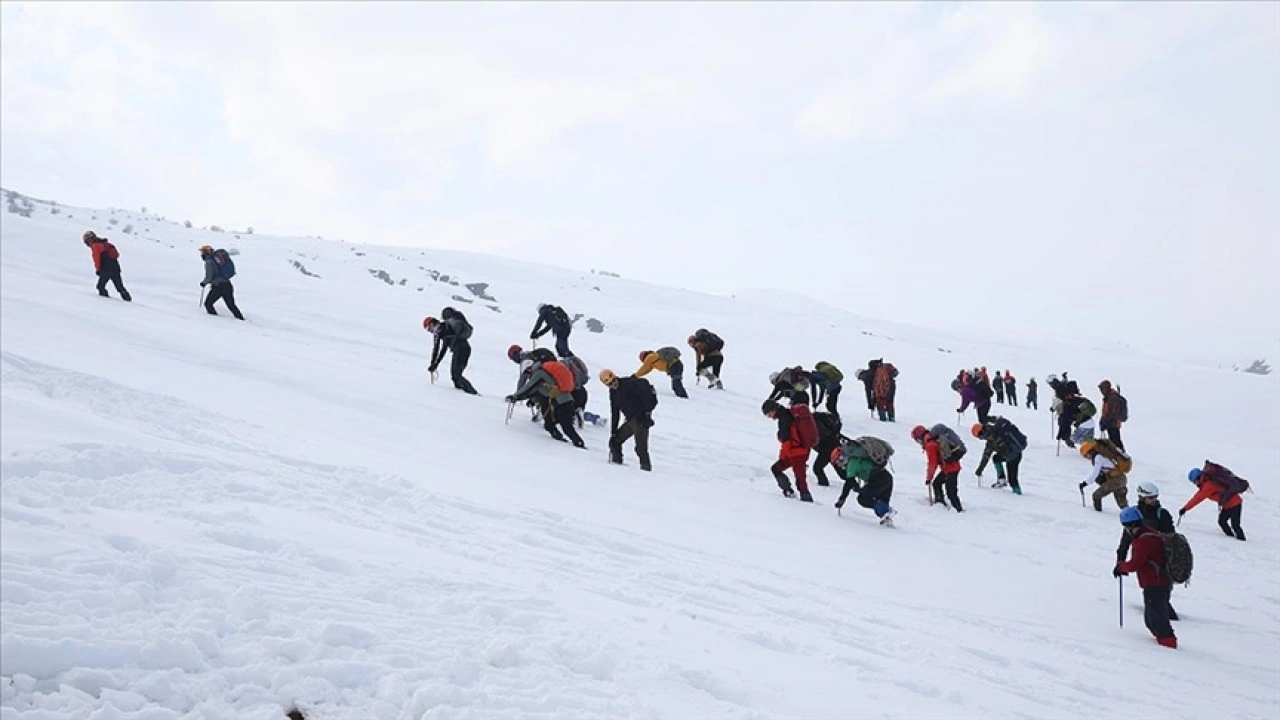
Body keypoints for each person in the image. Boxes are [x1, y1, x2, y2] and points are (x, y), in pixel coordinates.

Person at [1114, 506, 1177, 649]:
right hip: (1157, 582)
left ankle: (1169, 647)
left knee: (1158, 619)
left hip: (1156, 583)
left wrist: (1121, 567)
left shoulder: (1144, 540)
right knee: (1151, 618)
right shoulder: (1149, 533)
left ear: (1130, 525)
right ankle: (1163, 645)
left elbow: (1135, 563)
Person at [1117, 482, 1179, 621]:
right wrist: (1120, 560)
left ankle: (1167, 620)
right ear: (1142, 497)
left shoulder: (1162, 514)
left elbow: (1171, 538)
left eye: (1155, 497)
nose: (1154, 500)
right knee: (1153, 590)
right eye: (1151, 497)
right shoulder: (1133, 515)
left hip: (1162, 560)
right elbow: (1125, 540)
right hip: (1144, 559)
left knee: (1160, 592)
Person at [507, 358, 584, 447]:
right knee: (549, 425)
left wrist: (515, 396)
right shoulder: (543, 377)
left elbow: (529, 386)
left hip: (563, 402)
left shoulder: (539, 373)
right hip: (560, 403)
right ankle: (560, 439)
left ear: (529, 368)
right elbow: (534, 391)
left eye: (527, 373)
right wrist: (525, 399)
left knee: (567, 427)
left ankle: (579, 444)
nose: (528, 376)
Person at [830, 438, 897, 527]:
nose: (840, 466)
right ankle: (887, 522)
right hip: (886, 478)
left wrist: (842, 499)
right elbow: (851, 482)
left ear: (842, 457)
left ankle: (888, 512)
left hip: (878, 479)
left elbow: (849, 482)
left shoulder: (852, 463)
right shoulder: (857, 459)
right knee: (881, 504)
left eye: (839, 462)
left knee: (863, 499)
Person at [762, 395, 818, 501]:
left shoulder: (784, 419)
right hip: (802, 450)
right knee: (783, 471)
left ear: (772, 410)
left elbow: (786, 442)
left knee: (800, 479)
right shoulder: (788, 413)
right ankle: (791, 492)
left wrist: (782, 457)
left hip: (796, 452)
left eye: (768, 414)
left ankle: (805, 501)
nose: (769, 416)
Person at [601, 369, 656, 470]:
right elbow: (615, 413)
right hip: (630, 420)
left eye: (613, 380)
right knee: (615, 442)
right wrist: (613, 433)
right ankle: (617, 466)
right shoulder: (613, 393)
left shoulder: (629, 384)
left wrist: (647, 414)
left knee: (640, 449)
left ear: (615, 377)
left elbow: (646, 397)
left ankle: (646, 471)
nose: (613, 384)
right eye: (609, 384)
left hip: (641, 419)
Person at [1180, 466, 1246, 541]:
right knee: (1222, 521)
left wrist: (1185, 508)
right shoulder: (1205, 483)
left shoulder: (1208, 485)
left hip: (1235, 503)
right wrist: (1185, 508)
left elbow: (1197, 498)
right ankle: (1231, 540)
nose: (1195, 484)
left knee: (1235, 525)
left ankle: (1242, 541)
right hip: (1227, 505)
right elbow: (1198, 496)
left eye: (1194, 481)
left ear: (1198, 478)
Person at [424, 307, 478, 395]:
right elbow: (439, 348)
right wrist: (434, 363)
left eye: (428, 329)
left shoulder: (440, 329)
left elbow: (440, 349)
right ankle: (469, 394)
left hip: (459, 350)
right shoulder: (445, 327)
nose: (430, 331)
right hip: (465, 348)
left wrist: (434, 364)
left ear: (431, 324)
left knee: (456, 376)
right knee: (456, 376)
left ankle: (472, 395)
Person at [911, 424, 964, 511]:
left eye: (917, 440)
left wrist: (929, 478)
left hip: (951, 468)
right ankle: (940, 503)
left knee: (951, 492)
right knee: (937, 483)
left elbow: (932, 463)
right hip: (950, 467)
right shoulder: (932, 439)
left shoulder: (930, 444)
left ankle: (958, 510)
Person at [972, 417, 1027, 495]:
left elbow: (986, 456)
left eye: (979, 437)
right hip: (1015, 453)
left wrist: (980, 470)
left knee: (1012, 478)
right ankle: (1002, 480)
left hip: (1012, 456)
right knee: (996, 458)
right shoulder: (995, 429)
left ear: (981, 433)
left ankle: (1017, 493)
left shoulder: (991, 440)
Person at [1078, 439, 1129, 511]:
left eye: (1086, 456)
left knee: (1096, 495)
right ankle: (1131, 515)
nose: (1087, 458)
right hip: (1121, 478)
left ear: (1090, 451)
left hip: (1115, 480)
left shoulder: (1098, 458)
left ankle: (1098, 515)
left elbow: (1095, 472)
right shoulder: (1102, 456)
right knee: (1122, 502)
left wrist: (1085, 483)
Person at [83, 231, 131, 301]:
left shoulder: (96, 245)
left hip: (106, 269)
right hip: (115, 268)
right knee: (120, 287)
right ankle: (128, 301)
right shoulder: (106, 243)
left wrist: (98, 270)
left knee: (100, 286)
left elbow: (97, 259)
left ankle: (105, 302)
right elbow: (116, 255)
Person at [199, 245, 244, 320]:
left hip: (218, 287)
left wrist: (204, 283)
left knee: (208, 304)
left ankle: (215, 322)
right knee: (231, 305)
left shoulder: (209, 262)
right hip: (227, 285)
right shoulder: (217, 260)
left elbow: (209, 276)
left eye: (202, 252)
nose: (201, 254)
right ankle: (241, 320)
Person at [810, 410, 843, 487]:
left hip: (827, 447)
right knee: (842, 472)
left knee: (817, 468)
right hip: (834, 446)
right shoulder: (818, 419)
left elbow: (822, 435)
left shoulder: (813, 422)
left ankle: (824, 487)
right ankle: (855, 486)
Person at [1098, 380, 1128, 451]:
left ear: (1107, 388)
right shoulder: (1109, 396)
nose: (1101, 391)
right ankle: (1118, 454)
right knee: (1113, 440)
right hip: (1111, 423)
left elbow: (1111, 412)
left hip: (1113, 423)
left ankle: (1121, 456)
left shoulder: (1112, 397)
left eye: (1102, 389)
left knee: (1115, 441)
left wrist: (1105, 421)